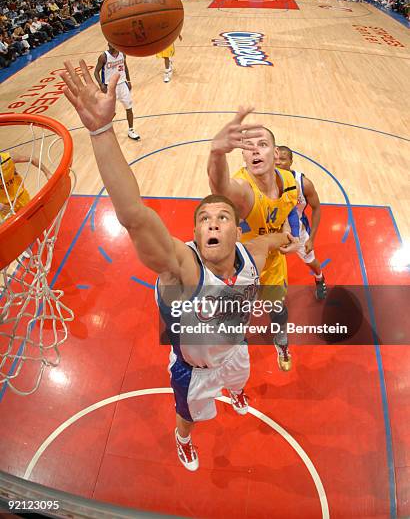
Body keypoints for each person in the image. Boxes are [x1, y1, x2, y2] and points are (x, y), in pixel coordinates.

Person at [61, 60, 295, 472]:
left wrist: (289, 241)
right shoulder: (182, 270)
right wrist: (100, 130)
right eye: (204, 219)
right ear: (196, 234)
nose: (213, 223)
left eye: (222, 217)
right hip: (196, 369)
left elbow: (273, 240)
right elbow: (133, 214)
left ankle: (236, 392)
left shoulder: (252, 254)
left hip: (235, 352)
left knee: (239, 377)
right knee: (189, 415)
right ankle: (182, 438)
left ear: (236, 231)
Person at [207, 109, 300, 372]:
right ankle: (228, 353)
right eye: (249, 147)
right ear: (244, 156)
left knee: (277, 310)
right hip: (240, 266)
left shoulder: (290, 182)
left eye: (262, 145)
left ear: (276, 153)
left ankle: (281, 341)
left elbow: (288, 210)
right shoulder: (243, 189)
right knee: (234, 318)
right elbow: (221, 187)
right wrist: (216, 153)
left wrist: (292, 236)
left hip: (271, 262)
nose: (255, 151)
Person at [276, 146, 327, 300]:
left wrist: (312, 238)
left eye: (283, 159)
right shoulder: (264, 179)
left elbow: (317, 208)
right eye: (275, 159)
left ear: (291, 162)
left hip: (298, 230)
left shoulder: (304, 183)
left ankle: (319, 278)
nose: (278, 163)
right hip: (272, 229)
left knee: (311, 261)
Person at [94, 43, 140, 141]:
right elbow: (96, 72)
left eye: (113, 44)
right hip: (110, 87)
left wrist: (128, 80)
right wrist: (101, 84)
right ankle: (103, 130)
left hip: (122, 84)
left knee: (129, 108)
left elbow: (125, 67)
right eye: (109, 44)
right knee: (111, 112)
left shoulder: (122, 54)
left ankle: (131, 131)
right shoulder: (103, 56)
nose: (111, 46)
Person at [0, 152, 51, 222]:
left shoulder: (8, 158)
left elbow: (32, 158)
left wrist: (47, 173)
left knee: (35, 220)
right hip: (5, 207)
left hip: (21, 197)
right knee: (18, 230)